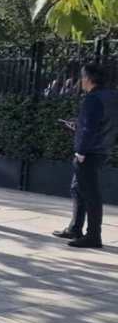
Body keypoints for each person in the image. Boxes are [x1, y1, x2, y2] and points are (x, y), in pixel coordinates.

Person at [53, 63, 118, 248]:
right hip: (102, 149)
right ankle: (75, 228)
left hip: (89, 152)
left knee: (90, 194)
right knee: (77, 188)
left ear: (87, 79)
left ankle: (93, 236)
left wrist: (80, 151)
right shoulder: (112, 97)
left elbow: (89, 128)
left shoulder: (93, 99)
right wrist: (79, 124)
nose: (81, 81)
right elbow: (104, 123)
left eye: (82, 77)